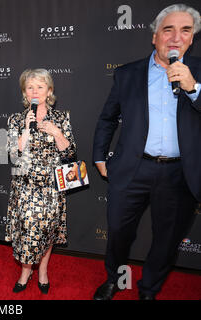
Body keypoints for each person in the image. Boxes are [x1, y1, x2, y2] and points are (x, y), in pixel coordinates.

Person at [92, 4, 201, 300]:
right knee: (117, 231)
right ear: (155, 36)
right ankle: (114, 278)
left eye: (185, 30)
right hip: (132, 168)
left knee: (167, 240)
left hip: (180, 174)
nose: (176, 37)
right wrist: (100, 156)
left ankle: (149, 289)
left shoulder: (199, 74)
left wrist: (194, 89)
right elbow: (108, 117)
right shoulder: (128, 74)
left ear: (192, 39)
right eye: (168, 29)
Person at [5, 68, 76, 294]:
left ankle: (43, 270)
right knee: (27, 230)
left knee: (47, 230)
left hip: (51, 186)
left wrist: (57, 133)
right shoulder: (16, 119)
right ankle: (26, 270)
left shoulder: (62, 117)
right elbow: (13, 155)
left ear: (49, 90)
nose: (35, 91)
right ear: (25, 93)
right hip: (25, 186)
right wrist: (25, 131)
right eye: (30, 87)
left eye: (40, 86)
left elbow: (70, 154)